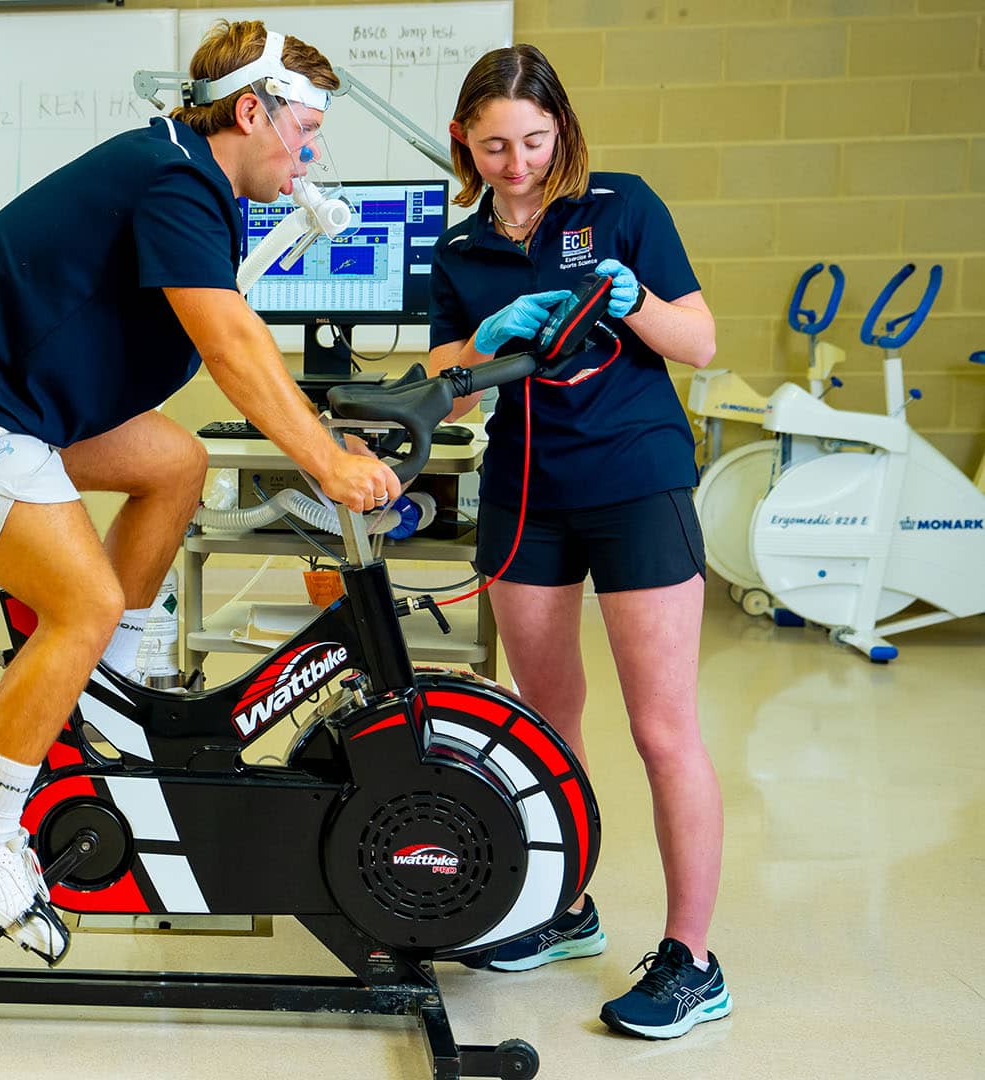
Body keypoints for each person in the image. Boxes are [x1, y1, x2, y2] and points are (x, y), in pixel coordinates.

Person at [0, 21, 400, 965]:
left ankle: (115, 682)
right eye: (305, 128)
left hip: (18, 402)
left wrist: (321, 439)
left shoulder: (191, 173)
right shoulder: (176, 178)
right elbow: (230, 343)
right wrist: (324, 462)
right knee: (83, 602)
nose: (313, 152)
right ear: (250, 110)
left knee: (174, 464)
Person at [428, 45, 729, 1039]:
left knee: (661, 727)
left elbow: (700, 340)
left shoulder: (621, 205)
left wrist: (634, 298)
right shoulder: (463, 249)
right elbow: (446, 370)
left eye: (535, 142)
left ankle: (693, 960)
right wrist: (483, 340)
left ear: (562, 130)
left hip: (637, 482)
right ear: (464, 144)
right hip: (526, 494)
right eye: (495, 146)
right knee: (543, 725)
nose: (517, 166)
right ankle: (565, 909)